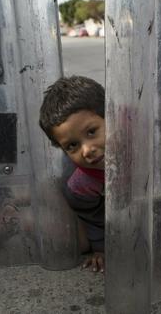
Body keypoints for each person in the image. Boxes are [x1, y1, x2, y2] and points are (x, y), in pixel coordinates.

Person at [39, 76, 105, 273]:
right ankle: (17, 211)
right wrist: (101, 249)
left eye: (92, 132)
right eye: (72, 146)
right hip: (77, 199)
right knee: (76, 243)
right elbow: (92, 217)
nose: (87, 150)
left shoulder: (138, 131)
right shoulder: (80, 183)